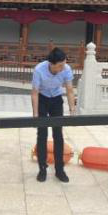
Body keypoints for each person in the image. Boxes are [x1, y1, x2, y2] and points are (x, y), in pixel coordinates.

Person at [32, 47, 76, 183]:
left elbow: (69, 90)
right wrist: (35, 115)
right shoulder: (39, 70)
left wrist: (72, 110)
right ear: (51, 63)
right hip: (42, 98)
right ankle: (42, 168)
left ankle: (59, 169)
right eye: (60, 65)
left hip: (56, 99)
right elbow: (34, 93)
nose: (63, 67)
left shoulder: (66, 69)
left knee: (58, 134)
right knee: (42, 133)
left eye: (64, 64)